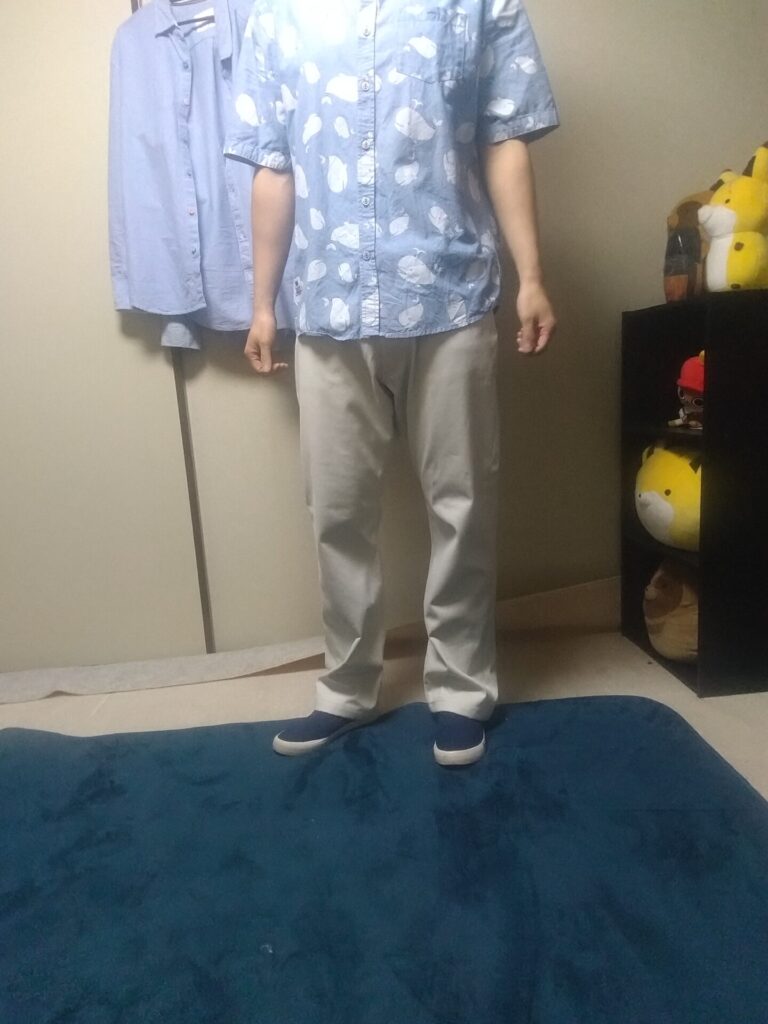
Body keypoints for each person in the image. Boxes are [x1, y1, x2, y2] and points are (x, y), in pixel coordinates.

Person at [224, 0, 560, 766]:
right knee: (337, 511)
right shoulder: (278, 17)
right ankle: (346, 687)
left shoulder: (481, 5)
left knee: (463, 503)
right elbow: (274, 165)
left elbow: (504, 139)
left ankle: (462, 690)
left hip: (453, 295)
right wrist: (262, 304)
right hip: (329, 306)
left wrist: (533, 277)